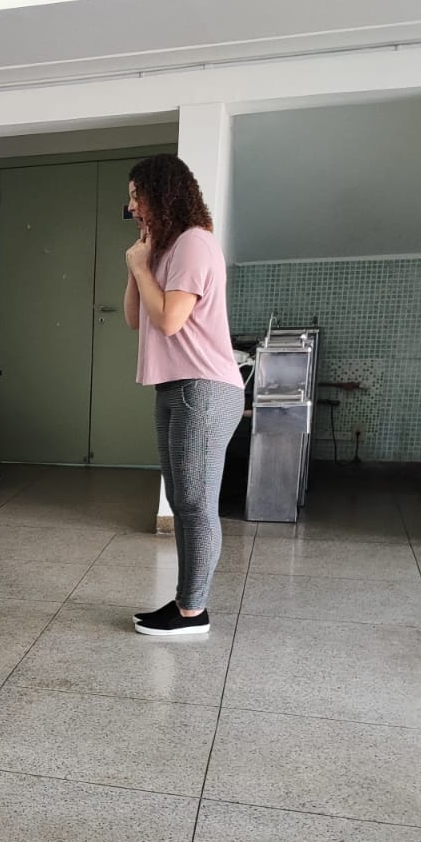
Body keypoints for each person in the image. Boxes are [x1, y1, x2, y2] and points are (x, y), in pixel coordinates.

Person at [123, 153, 245, 637]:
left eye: (137, 195)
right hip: (175, 386)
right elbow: (137, 318)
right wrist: (139, 262)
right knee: (180, 497)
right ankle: (184, 602)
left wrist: (140, 264)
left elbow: (170, 319)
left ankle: (193, 612)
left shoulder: (195, 243)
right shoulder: (162, 250)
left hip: (205, 387)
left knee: (195, 500)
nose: (132, 207)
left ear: (162, 193)